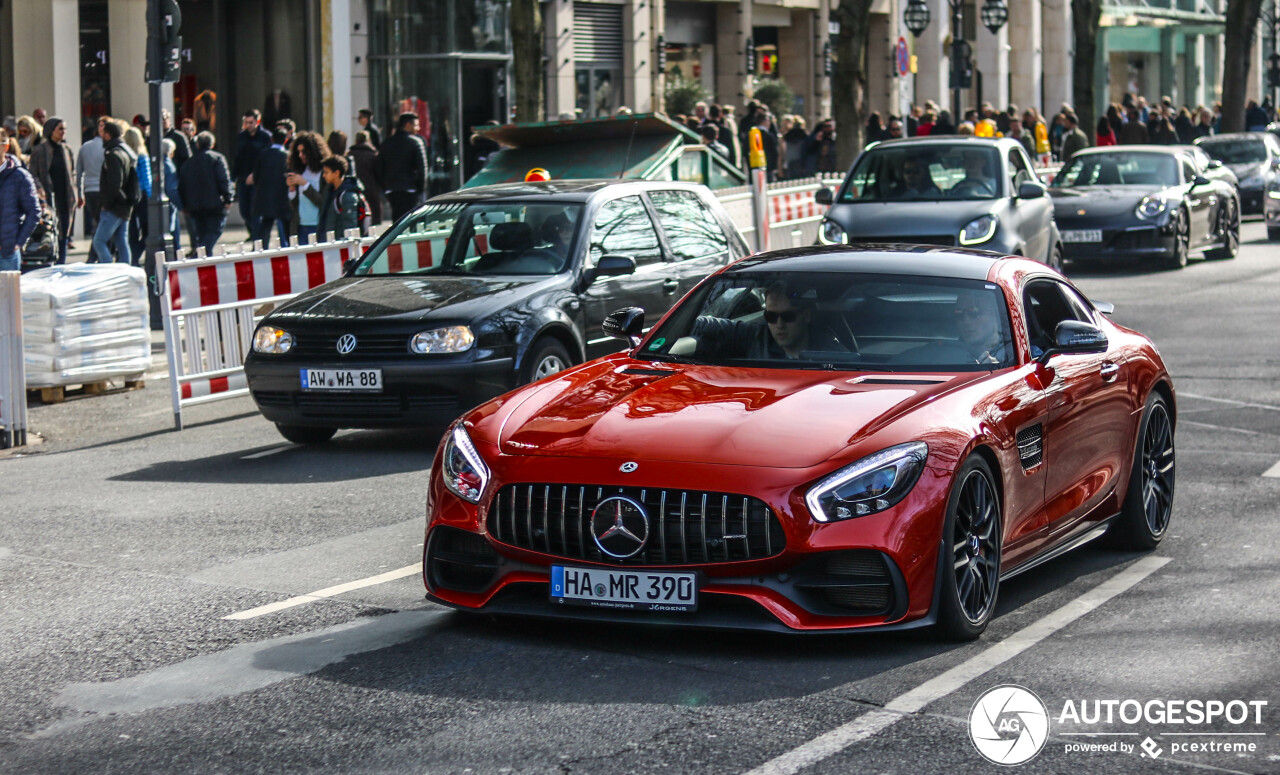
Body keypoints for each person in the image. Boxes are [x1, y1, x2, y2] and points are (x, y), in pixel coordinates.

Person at [692, 282, 844, 361]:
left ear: (806, 315)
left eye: (788, 317)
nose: (779, 324)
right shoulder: (756, 337)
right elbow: (704, 325)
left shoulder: (831, 354)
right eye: (771, 317)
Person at [27, 116, 80, 264]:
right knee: (51, 232)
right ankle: (50, 263)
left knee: (64, 233)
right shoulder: (40, 150)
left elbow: (73, 173)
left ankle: (61, 263)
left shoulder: (66, 149)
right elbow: (32, 173)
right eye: (60, 129)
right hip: (48, 198)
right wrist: (39, 189)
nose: (63, 132)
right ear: (51, 131)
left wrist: (78, 193)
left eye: (65, 129)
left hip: (66, 197)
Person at [178, 131, 233, 255]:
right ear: (212, 144)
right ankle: (201, 253)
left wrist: (184, 204)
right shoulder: (217, 158)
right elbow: (223, 179)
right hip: (214, 203)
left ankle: (204, 255)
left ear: (197, 145)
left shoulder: (188, 163)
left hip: (195, 205)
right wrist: (228, 197)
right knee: (215, 229)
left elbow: (182, 184)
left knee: (202, 233)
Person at [91, 120, 138, 264]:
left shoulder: (113, 155)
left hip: (114, 207)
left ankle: (109, 271)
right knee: (121, 241)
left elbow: (114, 184)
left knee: (99, 241)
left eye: (103, 133)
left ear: (107, 135)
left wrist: (107, 204)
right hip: (124, 206)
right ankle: (125, 272)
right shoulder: (125, 153)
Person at [377, 112, 428, 221]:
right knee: (412, 223)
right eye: (416, 125)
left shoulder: (386, 143)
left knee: (397, 222)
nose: (418, 129)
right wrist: (420, 189)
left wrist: (386, 187)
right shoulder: (416, 142)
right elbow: (422, 170)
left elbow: (379, 168)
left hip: (392, 190)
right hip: (410, 189)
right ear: (408, 125)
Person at [250, 125, 292, 246]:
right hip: (283, 196)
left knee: (265, 226)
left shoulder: (263, 154)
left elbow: (256, 176)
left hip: (265, 196)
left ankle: (262, 249)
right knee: (286, 226)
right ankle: (287, 248)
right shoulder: (287, 156)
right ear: (285, 140)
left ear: (272, 139)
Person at [286, 131, 330, 243]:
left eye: (304, 152)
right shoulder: (301, 170)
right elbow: (295, 205)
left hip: (318, 225)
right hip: (300, 226)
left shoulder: (324, 173)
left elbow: (323, 202)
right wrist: (292, 189)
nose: (300, 155)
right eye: (298, 152)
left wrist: (305, 185)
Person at [233, 109, 271, 240]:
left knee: (255, 211)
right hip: (243, 178)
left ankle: (257, 240)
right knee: (244, 211)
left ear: (257, 121)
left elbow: (266, 159)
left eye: (251, 122)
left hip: (258, 180)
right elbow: (237, 158)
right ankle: (256, 234)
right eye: (246, 122)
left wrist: (256, 175)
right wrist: (234, 178)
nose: (248, 125)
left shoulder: (265, 137)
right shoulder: (241, 137)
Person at [0, 149, 41, 271]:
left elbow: (34, 212)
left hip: (6, 253)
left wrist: (18, 242)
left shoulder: (19, 176)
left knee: (7, 290)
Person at [953, 289, 1012, 365]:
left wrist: (998, 369)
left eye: (974, 313)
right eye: (959, 314)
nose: (966, 321)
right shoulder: (947, 355)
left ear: (995, 316)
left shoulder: (1015, 354)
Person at [123, 126, 152, 265]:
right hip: (142, 195)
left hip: (128, 195)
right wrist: (150, 195)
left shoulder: (124, 155)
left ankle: (133, 257)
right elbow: (146, 179)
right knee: (148, 230)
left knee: (132, 230)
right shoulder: (142, 155)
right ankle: (136, 255)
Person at [316, 155, 363, 241]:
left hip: (340, 246)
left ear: (336, 173)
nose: (323, 175)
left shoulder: (348, 195)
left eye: (326, 172)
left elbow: (350, 226)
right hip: (331, 242)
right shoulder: (330, 191)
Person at [348, 130, 383, 225]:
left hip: (356, 190)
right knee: (374, 219)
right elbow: (379, 173)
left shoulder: (350, 155)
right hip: (372, 190)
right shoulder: (373, 155)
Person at [160, 138, 183, 251]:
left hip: (163, 203)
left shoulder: (157, 163)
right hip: (168, 204)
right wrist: (180, 205)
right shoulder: (169, 166)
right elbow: (171, 189)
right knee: (173, 233)